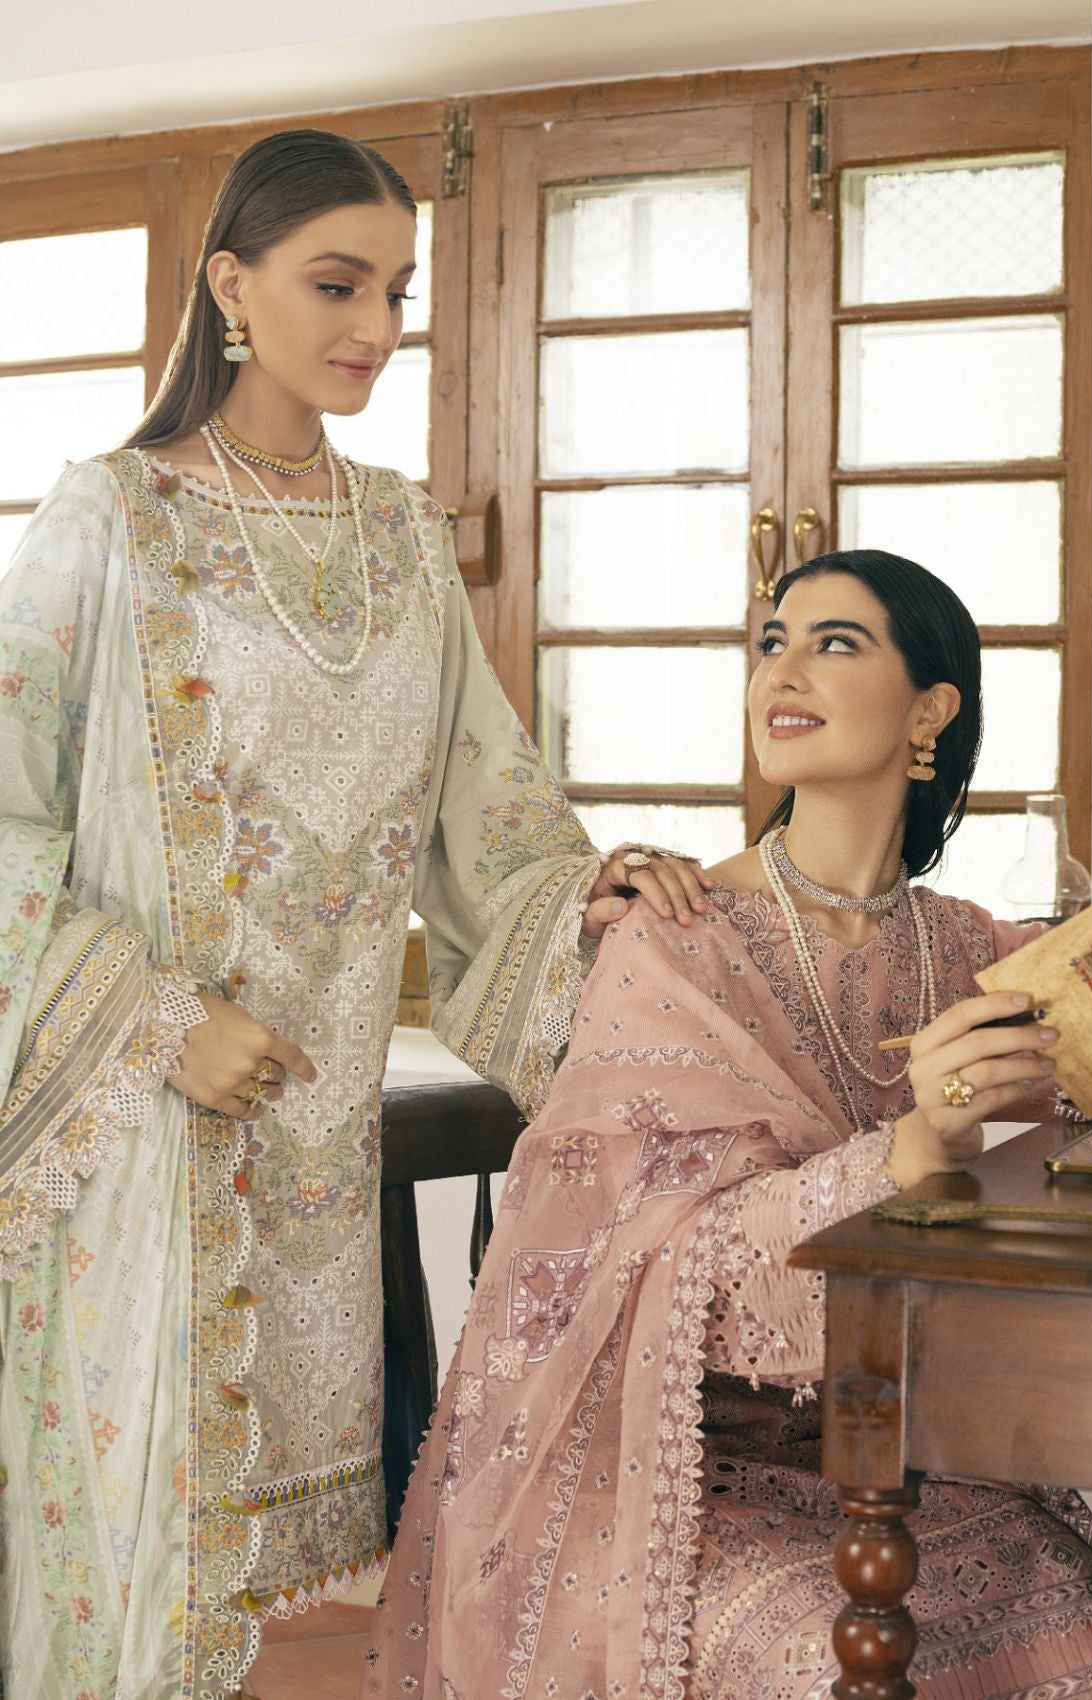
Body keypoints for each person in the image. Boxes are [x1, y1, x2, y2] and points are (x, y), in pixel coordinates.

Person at [0, 128, 708, 1700]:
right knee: (145, 1591)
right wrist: (152, 1018)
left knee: (316, 1613)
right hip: (140, 1144)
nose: (376, 326)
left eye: (398, 292)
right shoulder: (108, 521)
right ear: (229, 284)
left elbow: (492, 819)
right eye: (338, 284)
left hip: (319, 1171)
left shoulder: (402, 536)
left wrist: (585, 900)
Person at [365, 549, 1092, 1699]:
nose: (781, 673)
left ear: (931, 710)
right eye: (770, 643)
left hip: (908, 1445)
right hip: (672, 1469)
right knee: (820, 1649)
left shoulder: (970, 949)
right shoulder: (675, 939)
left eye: (833, 643)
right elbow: (663, 1270)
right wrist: (915, 1146)